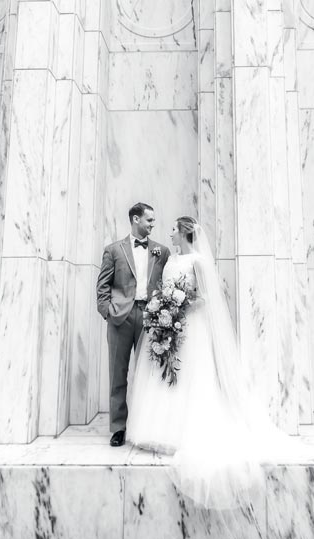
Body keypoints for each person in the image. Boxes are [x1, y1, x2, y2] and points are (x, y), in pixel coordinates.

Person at [125, 215, 290, 508]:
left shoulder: (198, 262)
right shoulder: (171, 260)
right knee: (164, 370)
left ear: (185, 233)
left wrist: (178, 306)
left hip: (191, 327)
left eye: (174, 229)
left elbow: (204, 298)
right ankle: (157, 429)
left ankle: (182, 431)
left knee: (190, 376)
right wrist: (163, 305)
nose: (170, 233)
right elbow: (165, 288)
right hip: (170, 322)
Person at [96, 201, 171, 447]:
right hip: (120, 317)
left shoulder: (162, 251)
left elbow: (165, 283)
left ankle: (144, 427)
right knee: (118, 374)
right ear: (136, 219)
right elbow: (103, 286)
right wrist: (107, 311)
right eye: (149, 220)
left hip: (149, 317)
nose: (153, 224)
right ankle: (118, 428)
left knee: (147, 375)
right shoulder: (113, 250)